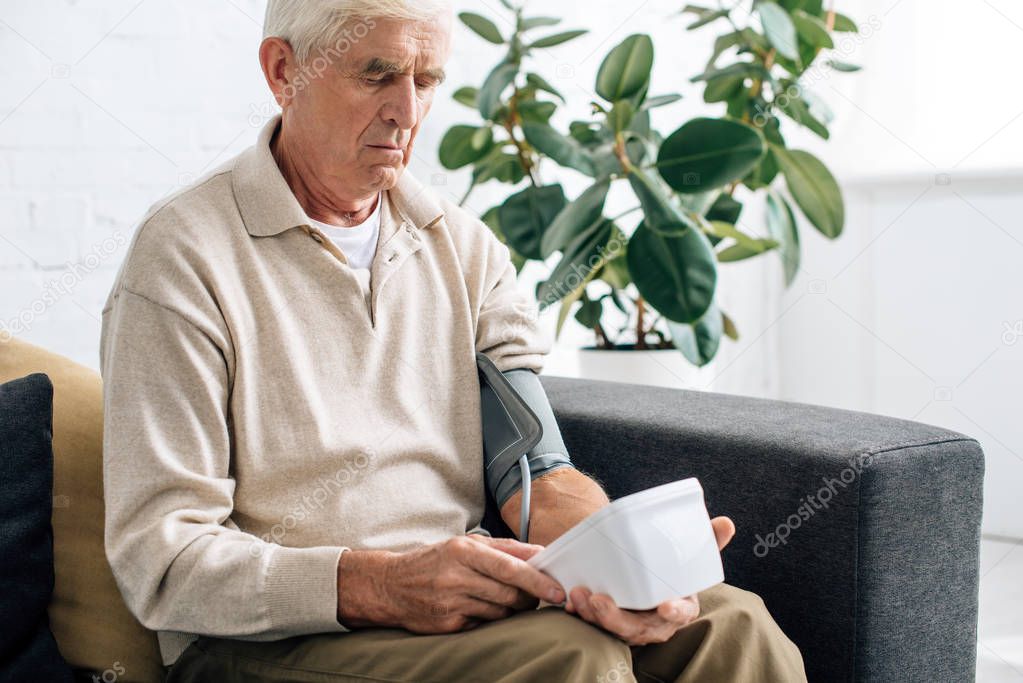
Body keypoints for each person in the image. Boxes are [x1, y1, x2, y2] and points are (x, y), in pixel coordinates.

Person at [99, 1, 807, 680]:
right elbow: (162, 560)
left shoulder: (462, 246)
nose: (407, 112)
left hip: (461, 606)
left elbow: (538, 472)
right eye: (376, 73)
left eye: (426, 80)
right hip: (263, 645)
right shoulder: (182, 258)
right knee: (571, 661)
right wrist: (375, 584)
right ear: (284, 70)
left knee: (731, 626)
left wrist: (626, 568)